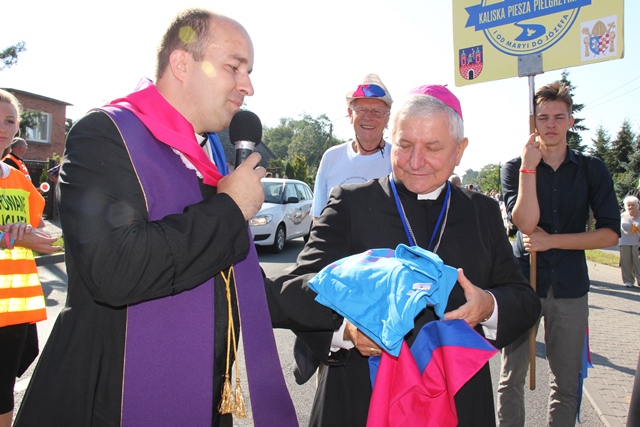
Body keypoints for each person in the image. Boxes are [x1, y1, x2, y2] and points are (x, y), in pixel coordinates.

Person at [15, 9, 297, 427]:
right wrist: (230, 208)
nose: (248, 86)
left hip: (202, 400)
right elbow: (115, 268)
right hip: (110, 399)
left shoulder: (209, 160)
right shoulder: (105, 134)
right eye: (234, 68)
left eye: (249, 72)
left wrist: (341, 307)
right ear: (182, 64)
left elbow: (239, 285)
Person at [266, 85, 541, 426]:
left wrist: (488, 306)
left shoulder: (481, 212)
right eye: (405, 145)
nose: (415, 162)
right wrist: (346, 329)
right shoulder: (350, 203)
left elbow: (524, 300)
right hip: (361, 396)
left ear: (459, 150)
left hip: (457, 398)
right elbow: (295, 289)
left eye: (432, 148)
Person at [498, 81, 620, 427]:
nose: (550, 124)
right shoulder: (514, 167)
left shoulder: (591, 169)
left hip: (570, 287)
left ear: (570, 121)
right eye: (543, 117)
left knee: (566, 382)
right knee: (511, 378)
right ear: (532, 121)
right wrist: (529, 167)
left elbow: (610, 233)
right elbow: (525, 223)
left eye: (558, 117)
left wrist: (552, 241)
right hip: (523, 284)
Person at [0, 90, 60, 427]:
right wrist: (9, 236)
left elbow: (40, 229)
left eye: (10, 121)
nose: (3, 128)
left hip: (14, 310)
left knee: (3, 390)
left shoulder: (20, 180)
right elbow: (15, 236)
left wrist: (41, 237)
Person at [311, 74, 393, 220]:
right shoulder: (331, 157)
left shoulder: (398, 160)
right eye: (361, 110)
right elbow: (318, 218)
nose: (368, 117)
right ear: (350, 114)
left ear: (387, 118)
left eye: (377, 111)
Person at [619, 195, 640, 287]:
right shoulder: (622, 216)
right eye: (628, 205)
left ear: (637, 205)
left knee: (638, 262)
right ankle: (628, 281)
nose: (630, 207)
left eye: (633, 205)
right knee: (626, 262)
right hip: (625, 241)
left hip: (638, 242)